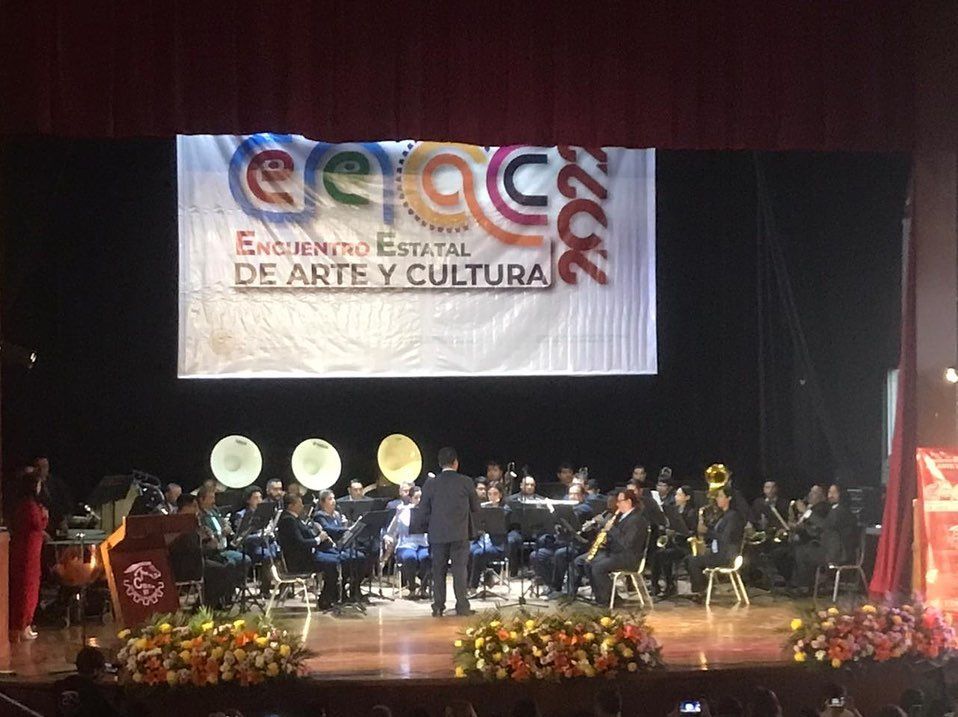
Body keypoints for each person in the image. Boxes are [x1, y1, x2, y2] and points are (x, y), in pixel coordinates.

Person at [419, 447, 480, 617]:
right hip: (460, 534)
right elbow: (476, 507)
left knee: (438, 571)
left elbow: (423, 510)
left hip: (437, 534)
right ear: (456, 463)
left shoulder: (430, 484)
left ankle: (438, 606)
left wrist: (430, 526)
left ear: (440, 464)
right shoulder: (466, 481)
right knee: (460, 570)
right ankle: (462, 606)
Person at [571, 489, 649, 606]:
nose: (617, 504)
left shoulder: (636, 519)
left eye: (620, 501)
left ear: (628, 502)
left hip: (629, 557)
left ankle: (607, 600)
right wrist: (602, 534)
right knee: (587, 562)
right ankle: (601, 597)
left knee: (598, 567)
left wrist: (610, 528)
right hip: (616, 553)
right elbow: (615, 537)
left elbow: (626, 543)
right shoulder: (621, 516)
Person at [169, 494, 240, 608]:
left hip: (197, 559)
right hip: (185, 565)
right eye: (194, 506)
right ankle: (205, 606)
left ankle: (218, 602)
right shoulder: (177, 524)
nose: (197, 510)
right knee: (218, 571)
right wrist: (207, 545)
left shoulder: (193, 522)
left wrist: (208, 539)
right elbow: (190, 548)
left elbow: (197, 545)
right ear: (185, 507)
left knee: (228, 565)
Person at [275, 493, 339, 610]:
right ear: (291, 506)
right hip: (299, 562)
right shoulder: (288, 520)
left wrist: (318, 534)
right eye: (299, 504)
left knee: (335, 560)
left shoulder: (294, 518)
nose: (302, 506)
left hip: (305, 556)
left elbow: (305, 534)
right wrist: (319, 539)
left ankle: (330, 598)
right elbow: (300, 543)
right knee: (332, 563)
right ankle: (325, 600)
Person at [792, 484, 858, 594]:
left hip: (837, 554)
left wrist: (806, 512)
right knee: (805, 549)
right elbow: (828, 529)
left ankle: (805, 586)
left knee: (801, 552)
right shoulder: (837, 509)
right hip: (835, 550)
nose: (830, 495)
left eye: (834, 493)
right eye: (829, 492)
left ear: (842, 494)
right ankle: (811, 585)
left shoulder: (840, 511)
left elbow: (825, 525)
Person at [531, 483, 593, 595]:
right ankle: (550, 584)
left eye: (576, 494)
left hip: (577, 545)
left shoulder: (585, 508)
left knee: (560, 554)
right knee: (536, 555)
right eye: (570, 494)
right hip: (560, 543)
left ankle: (557, 587)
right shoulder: (565, 507)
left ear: (583, 496)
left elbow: (575, 518)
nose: (572, 496)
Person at [686, 484, 746, 600]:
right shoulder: (723, 515)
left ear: (729, 498)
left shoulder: (733, 516)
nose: (717, 499)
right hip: (718, 553)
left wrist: (707, 531)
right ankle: (704, 588)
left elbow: (725, 538)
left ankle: (700, 591)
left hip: (727, 556)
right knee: (688, 559)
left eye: (720, 496)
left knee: (692, 560)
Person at [8, 467, 48, 641]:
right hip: (27, 552)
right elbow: (37, 524)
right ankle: (21, 624)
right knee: (26, 587)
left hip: (31, 550)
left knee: (30, 586)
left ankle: (26, 623)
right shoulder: (28, 505)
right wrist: (45, 516)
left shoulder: (27, 504)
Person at [650, 484, 697, 597]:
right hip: (674, 543)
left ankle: (670, 585)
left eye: (679, 495)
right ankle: (655, 585)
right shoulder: (673, 510)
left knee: (664, 555)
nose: (676, 497)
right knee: (656, 554)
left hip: (685, 546)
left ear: (687, 497)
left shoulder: (691, 512)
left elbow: (691, 532)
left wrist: (676, 533)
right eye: (676, 494)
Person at [384, 486, 430, 598]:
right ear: (411, 498)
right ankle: (412, 588)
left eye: (421, 497)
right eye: (416, 497)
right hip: (406, 544)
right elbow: (391, 530)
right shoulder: (403, 511)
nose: (419, 500)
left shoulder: (427, 511)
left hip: (423, 544)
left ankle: (424, 588)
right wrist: (389, 537)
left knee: (426, 557)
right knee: (410, 557)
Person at [55, 646, 123, 717]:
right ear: (95, 671)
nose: (104, 672)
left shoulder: (59, 687)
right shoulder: (95, 694)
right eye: (103, 669)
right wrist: (121, 686)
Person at [470, 483, 509, 589]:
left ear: (500, 495)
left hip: (497, 545)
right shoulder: (483, 508)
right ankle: (468, 584)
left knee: (478, 554)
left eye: (495, 494)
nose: (492, 497)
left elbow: (504, 527)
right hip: (482, 541)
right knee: (468, 551)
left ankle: (473, 586)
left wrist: (496, 509)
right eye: (490, 494)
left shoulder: (505, 510)